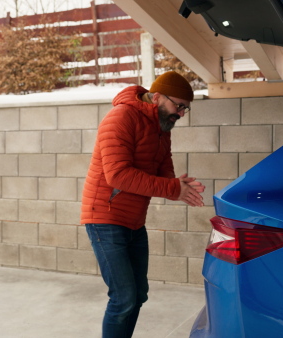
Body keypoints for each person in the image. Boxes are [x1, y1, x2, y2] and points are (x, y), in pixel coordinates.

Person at [81, 71, 205, 338]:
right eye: (178, 105)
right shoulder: (121, 117)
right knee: (123, 297)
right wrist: (173, 188)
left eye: (186, 108)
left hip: (134, 221)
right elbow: (118, 175)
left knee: (138, 294)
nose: (181, 113)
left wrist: (179, 188)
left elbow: (163, 173)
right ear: (157, 97)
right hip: (105, 218)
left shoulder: (161, 126)